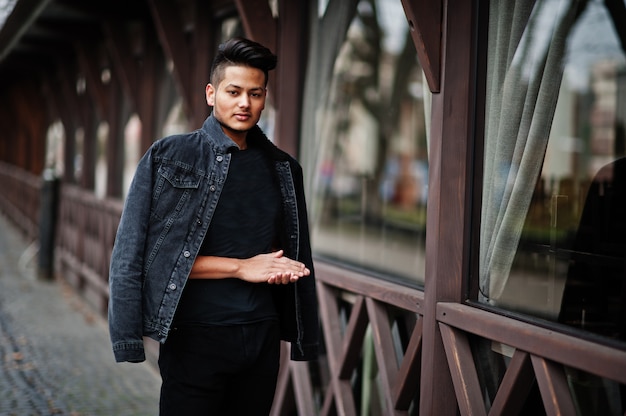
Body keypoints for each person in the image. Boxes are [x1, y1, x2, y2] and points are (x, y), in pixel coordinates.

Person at [108, 37, 319, 415]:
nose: (244, 103)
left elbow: (294, 255)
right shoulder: (169, 157)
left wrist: (283, 274)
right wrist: (241, 267)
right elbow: (135, 255)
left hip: (260, 336)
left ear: (265, 97)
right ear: (211, 93)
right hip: (194, 335)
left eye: (255, 93)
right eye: (234, 91)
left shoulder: (285, 169)